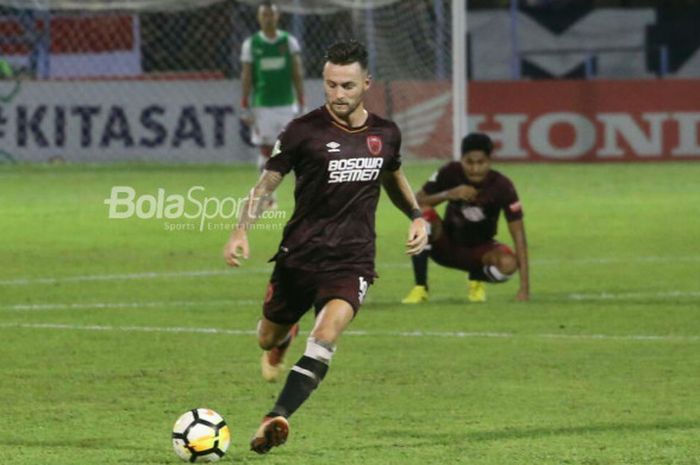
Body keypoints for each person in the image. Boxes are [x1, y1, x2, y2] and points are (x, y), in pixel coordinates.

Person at [223, 40, 428, 454]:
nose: (338, 94)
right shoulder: (303, 131)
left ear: (366, 84)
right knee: (266, 338)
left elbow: (393, 176)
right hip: (299, 256)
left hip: (352, 260)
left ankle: (275, 417)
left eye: (347, 86)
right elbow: (267, 185)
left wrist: (417, 215)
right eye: (331, 85)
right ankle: (282, 339)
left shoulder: (385, 134)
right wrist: (241, 228)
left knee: (326, 334)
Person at [401, 132, 530, 304]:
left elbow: (519, 235)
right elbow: (416, 202)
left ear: (490, 161)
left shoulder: (502, 186)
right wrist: (448, 194)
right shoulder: (449, 172)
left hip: (480, 252)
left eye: (481, 162)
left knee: (508, 264)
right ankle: (420, 288)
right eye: (469, 162)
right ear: (461, 159)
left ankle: (476, 278)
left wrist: (524, 288)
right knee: (423, 215)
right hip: (445, 246)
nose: (475, 169)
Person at [239, 0, 305, 209]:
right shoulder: (252, 44)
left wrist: (302, 101)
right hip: (262, 106)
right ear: (259, 18)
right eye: (264, 15)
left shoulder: (288, 42)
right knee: (266, 150)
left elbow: (297, 73)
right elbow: (247, 76)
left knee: (294, 150)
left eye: (271, 15)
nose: (268, 18)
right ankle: (267, 197)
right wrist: (244, 103)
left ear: (277, 17)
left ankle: (304, 196)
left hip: (286, 104)